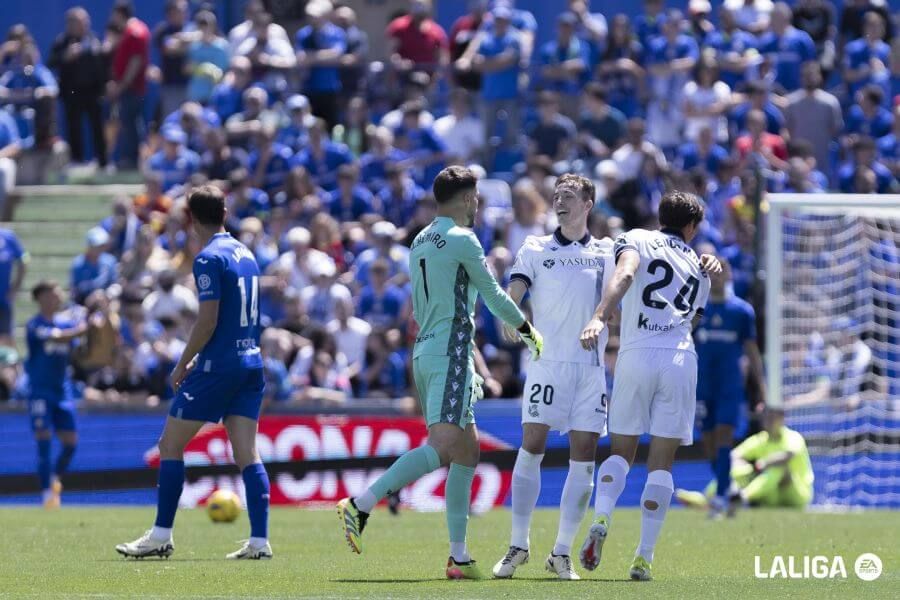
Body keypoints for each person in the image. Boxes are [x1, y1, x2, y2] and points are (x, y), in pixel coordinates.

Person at [337, 166, 544, 579]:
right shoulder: (463, 239)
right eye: (477, 197)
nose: (479, 204)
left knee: (467, 452)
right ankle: (360, 505)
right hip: (450, 351)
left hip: (427, 350)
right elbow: (493, 295)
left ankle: (459, 556)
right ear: (467, 199)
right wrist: (528, 331)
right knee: (446, 445)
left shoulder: (418, 239)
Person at [116, 185, 271, 560]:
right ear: (224, 212)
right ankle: (259, 541)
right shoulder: (245, 252)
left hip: (219, 365)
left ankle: (161, 535)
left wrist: (184, 361)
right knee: (248, 453)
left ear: (190, 217)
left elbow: (208, 319)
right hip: (251, 360)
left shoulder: (207, 258)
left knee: (170, 446)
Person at [578, 190, 720, 581]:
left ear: (660, 215)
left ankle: (603, 518)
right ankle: (643, 557)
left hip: (636, 354)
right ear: (692, 227)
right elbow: (696, 319)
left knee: (621, 452)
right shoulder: (700, 264)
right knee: (662, 463)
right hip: (678, 358)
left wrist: (600, 316)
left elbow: (625, 273)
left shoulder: (636, 237)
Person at [492, 174, 613, 581]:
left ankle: (561, 552)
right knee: (532, 445)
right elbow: (517, 290)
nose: (561, 201)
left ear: (588, 204)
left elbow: (631, 281)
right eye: (557, 195)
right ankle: (518, 544)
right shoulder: (535, 248)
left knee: (584, 459)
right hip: (547, 365)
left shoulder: (606, 252)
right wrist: (513, 313)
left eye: (570, 196)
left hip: (590, 369)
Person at [694, 259, 766, 517]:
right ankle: (729, 487)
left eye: (722, 272)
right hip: (701, 384)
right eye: (713, 273)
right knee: (709, 442)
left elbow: (752, 351)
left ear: (729, 275)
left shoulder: (741, 311)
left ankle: (721, 496)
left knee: (724, 435)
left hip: (729, 384)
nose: (717, 277)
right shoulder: (697, 308)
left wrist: (761, 388)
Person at [26, 280, 87, 508]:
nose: (57, 297)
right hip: (40, 392)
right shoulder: (35, 325)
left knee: (70, 443)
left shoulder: (66, 322)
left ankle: (54, 478)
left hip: (63, 392)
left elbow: (77, 348)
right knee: (43, 441)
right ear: (41, 297)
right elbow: (58, 337)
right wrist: (82, 327)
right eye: (52, 293)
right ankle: (46, 495)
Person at [676, 407, 814, 509]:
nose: (769, 420)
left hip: (797, 496)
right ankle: (707, 498)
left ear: (782, 418)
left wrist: (762, 463)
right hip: (771, 496)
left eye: (773, 416)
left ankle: (742, 498)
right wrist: (743, 468)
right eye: (766, 416)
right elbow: (734, 455)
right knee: (736, 469)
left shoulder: (793, 437)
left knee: (779, 469)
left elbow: (788, 455)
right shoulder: (760, 440)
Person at [48, 7, 107, 168]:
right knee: (74, 127)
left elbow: (103, 65)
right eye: (80, 22)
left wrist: (105, 85)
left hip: (93, 92)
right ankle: (77, 160)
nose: (84, 25)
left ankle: (103, 162)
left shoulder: (93, 40)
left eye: (85, 21)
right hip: (71, 93)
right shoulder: (62, 42)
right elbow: (51, 62)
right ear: (70, 24)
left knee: (97, 128)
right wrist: (65, 56)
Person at [107, 0, 150, 169]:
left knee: (131, 125)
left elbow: (135, 62)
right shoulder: (129, 31)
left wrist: (121, 85)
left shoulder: (135, 32)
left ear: (119, 14)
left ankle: (132, 161)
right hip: (129, 88)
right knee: (128, 123)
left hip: (132, 88)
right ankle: (131, 159)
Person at [0, 227, 27, 346]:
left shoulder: (7, 236)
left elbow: (23, 260)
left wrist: (15, 288)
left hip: (3, 299)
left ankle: (10, 364)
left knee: (7, 338)